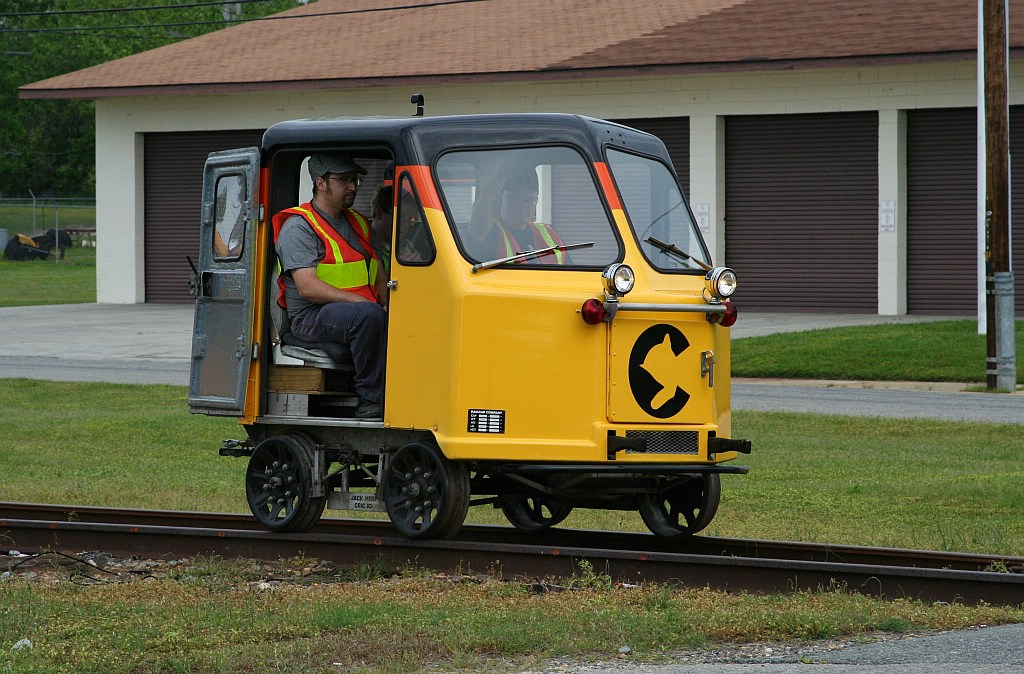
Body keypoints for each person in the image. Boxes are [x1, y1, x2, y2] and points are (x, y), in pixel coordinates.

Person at [272, 152, 388, 419]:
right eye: (344, 180)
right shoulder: (299, 227)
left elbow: (379, 275)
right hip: (310, 317)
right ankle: (372, 400)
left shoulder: (358, 223)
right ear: (320, 183)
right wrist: (366, 304)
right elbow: (308, 287)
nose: (352, 186)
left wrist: (387, 303)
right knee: (367, 316)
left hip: (352, 312)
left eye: (355, 180)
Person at [475, 170, 568, 264]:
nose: (522, 206)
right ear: (500, 200)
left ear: (536, 200)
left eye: (529, 200)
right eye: (514, 199)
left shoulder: (549, 234)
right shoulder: (490, 232)